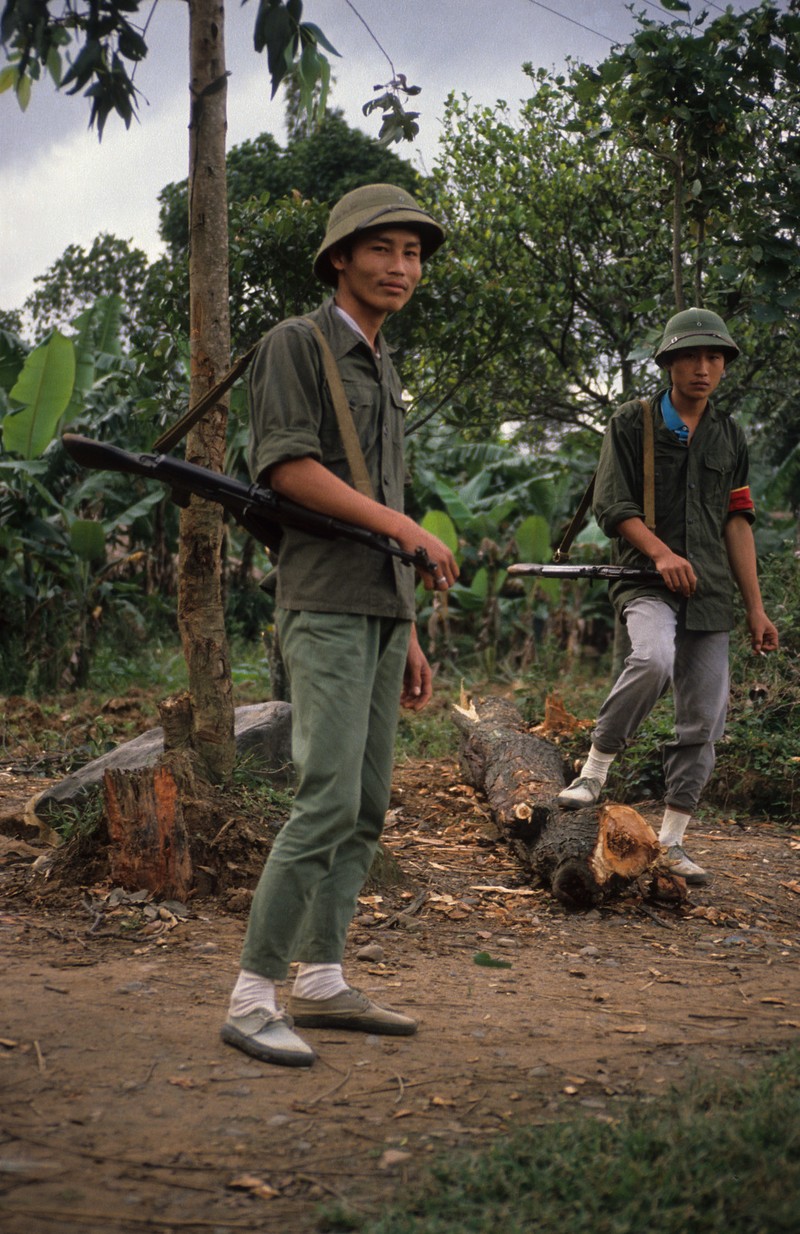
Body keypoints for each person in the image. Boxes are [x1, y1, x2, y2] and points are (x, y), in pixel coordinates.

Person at [221, 184, 459, 1067]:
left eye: (413, 254)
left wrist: (410, 627)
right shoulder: (297, 343)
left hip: (381, 609)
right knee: (323, 797)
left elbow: (377, 498)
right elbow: (286, 468)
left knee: (363, 805)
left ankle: (321, 980)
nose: (402, 268)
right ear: (339, 261)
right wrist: (407, 532)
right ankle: (252, 995)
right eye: (383, 251)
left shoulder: (381, 365)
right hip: (321, 601)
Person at [557, 308, 779, 884]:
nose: (703, 368)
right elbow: (613, 507)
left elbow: (738, 521)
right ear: (669, 363)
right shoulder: (631, 424)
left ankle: (673, 842)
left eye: (715, 358)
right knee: (651, 658)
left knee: (704, 717)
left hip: (710, 595)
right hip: (645, 581)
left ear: (724, 366)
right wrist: (659, 553)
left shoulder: (729, 434)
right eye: (691, 357)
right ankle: (594, 769)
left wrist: (755, 607)